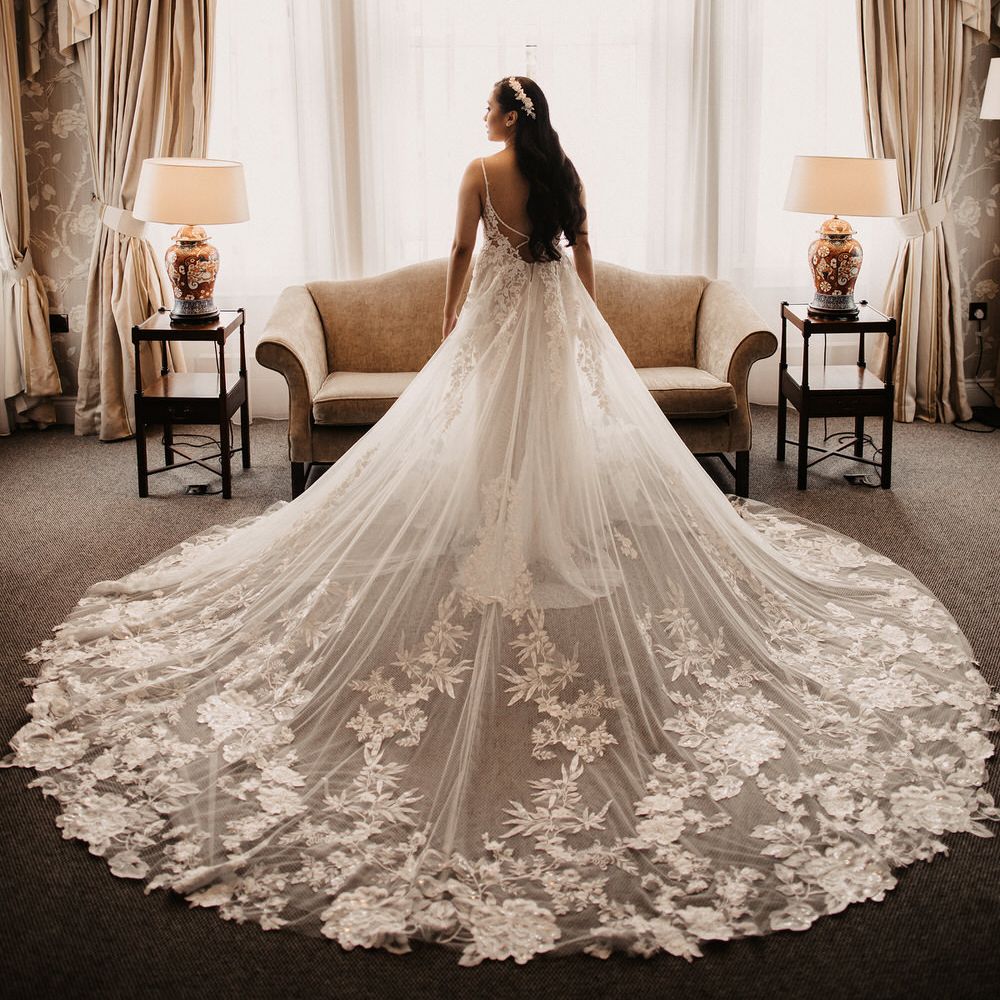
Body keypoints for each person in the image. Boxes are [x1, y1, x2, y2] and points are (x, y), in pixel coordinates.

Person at [3, 75, 998, 967]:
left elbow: (456, 251)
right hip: (554, 315)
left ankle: (502, 536)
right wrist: (587, 319)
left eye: (487, 105)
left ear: (507, 116)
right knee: (550, 432)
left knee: (489, 435)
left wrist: (450, 321)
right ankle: (539, 535)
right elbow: (584, 250)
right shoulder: (561, 167)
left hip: (496, 318)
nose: (480, 117)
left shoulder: (481, 170)